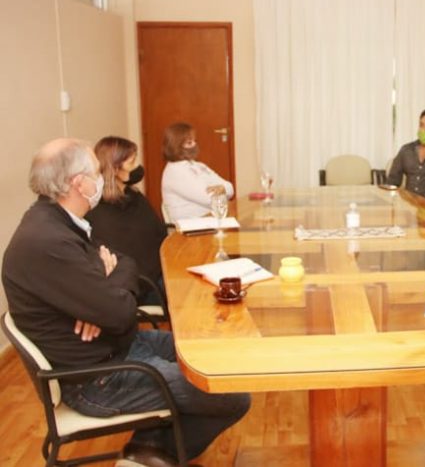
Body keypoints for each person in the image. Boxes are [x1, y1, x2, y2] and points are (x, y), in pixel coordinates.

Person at [2, 138, 250, 467]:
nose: (101, 177)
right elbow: (120, 314)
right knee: (232, 393)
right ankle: (154, 454)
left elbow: (126, 263)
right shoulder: (48, 241)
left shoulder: (60, 220)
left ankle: (147, 448)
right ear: (79, 183)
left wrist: (103, 290)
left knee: (213, 356)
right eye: (95, 172)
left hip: (118, 346)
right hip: (98, 378)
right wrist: (103, 295)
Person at [85, 136, 168, 304]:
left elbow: (158, 232)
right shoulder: (99, 212)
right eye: (132, 163)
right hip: (145, 287)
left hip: (161, 271)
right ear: (115, 169)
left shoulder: (134, 196)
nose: (137, 167)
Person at [161, 122, 234, 221]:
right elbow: (209, 200)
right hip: (190, 226)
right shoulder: (175, 171)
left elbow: (230, 188)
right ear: (176, 146)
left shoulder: (198, 165)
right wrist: (223, 191)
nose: (194, 145)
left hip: (210, 220)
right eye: (189, 143)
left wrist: (223, 188)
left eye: (194, 141)